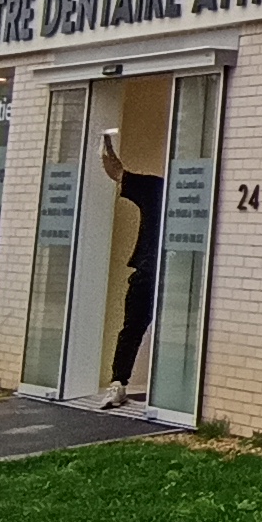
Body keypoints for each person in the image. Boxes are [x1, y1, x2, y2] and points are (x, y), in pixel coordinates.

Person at [96, 134, 164, 411]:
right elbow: (117, 172)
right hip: (148, 269)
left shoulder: (168, 189)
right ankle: (118, 383)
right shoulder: (156, 188)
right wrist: (105, 147)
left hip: (176, 272)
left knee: (137, 329)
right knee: (132, 327)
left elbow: (117, 173)